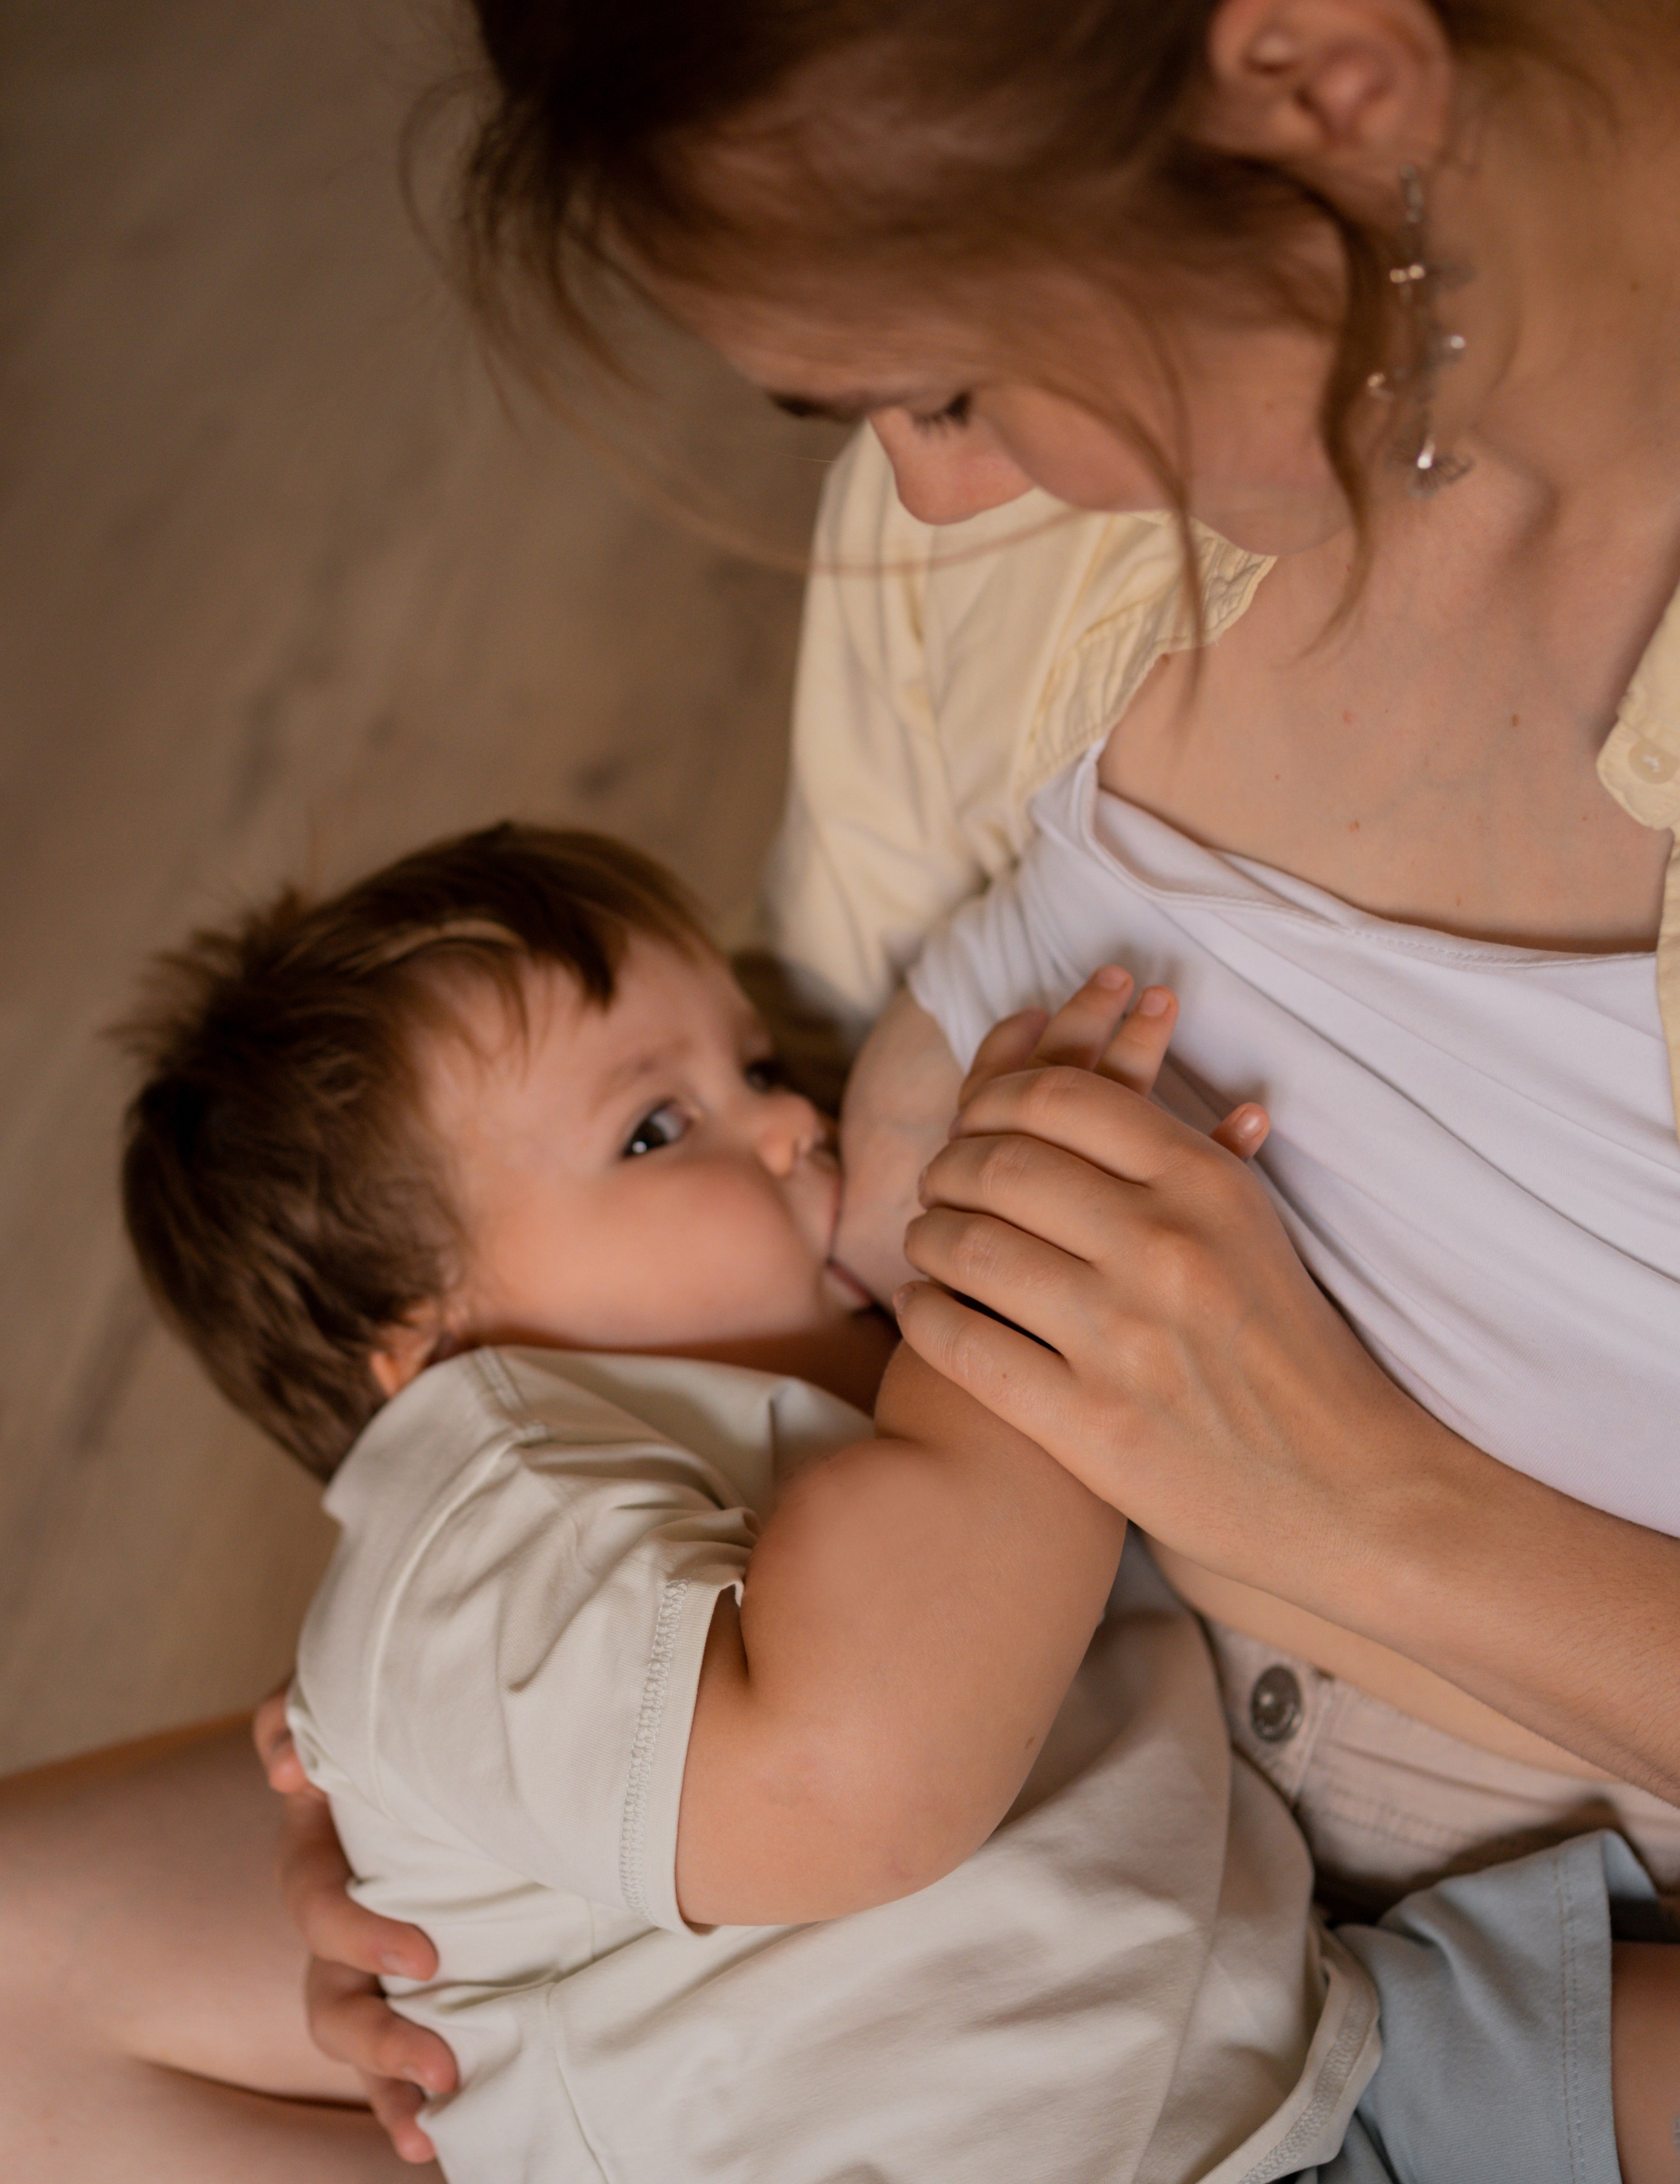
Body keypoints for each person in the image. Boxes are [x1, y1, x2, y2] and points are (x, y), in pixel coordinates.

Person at [4, 0, 1680, 2172]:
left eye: (956, 380)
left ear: (1326, 92)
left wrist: (1356, 1507)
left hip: (1450, 1917)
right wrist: (498, 1761)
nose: (933, 490)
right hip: (1015, 1768)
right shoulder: (1010, 563)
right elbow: (733, 1184)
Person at [116, 818, 1381, 2183]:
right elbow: (851, 1781)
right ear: (425, 1345)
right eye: (655, 1130)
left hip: (1288, 2073)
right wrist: (1016, 1285)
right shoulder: (471, 1526)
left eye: (763, 1069)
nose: (794, 1126)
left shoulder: (751, 1420)